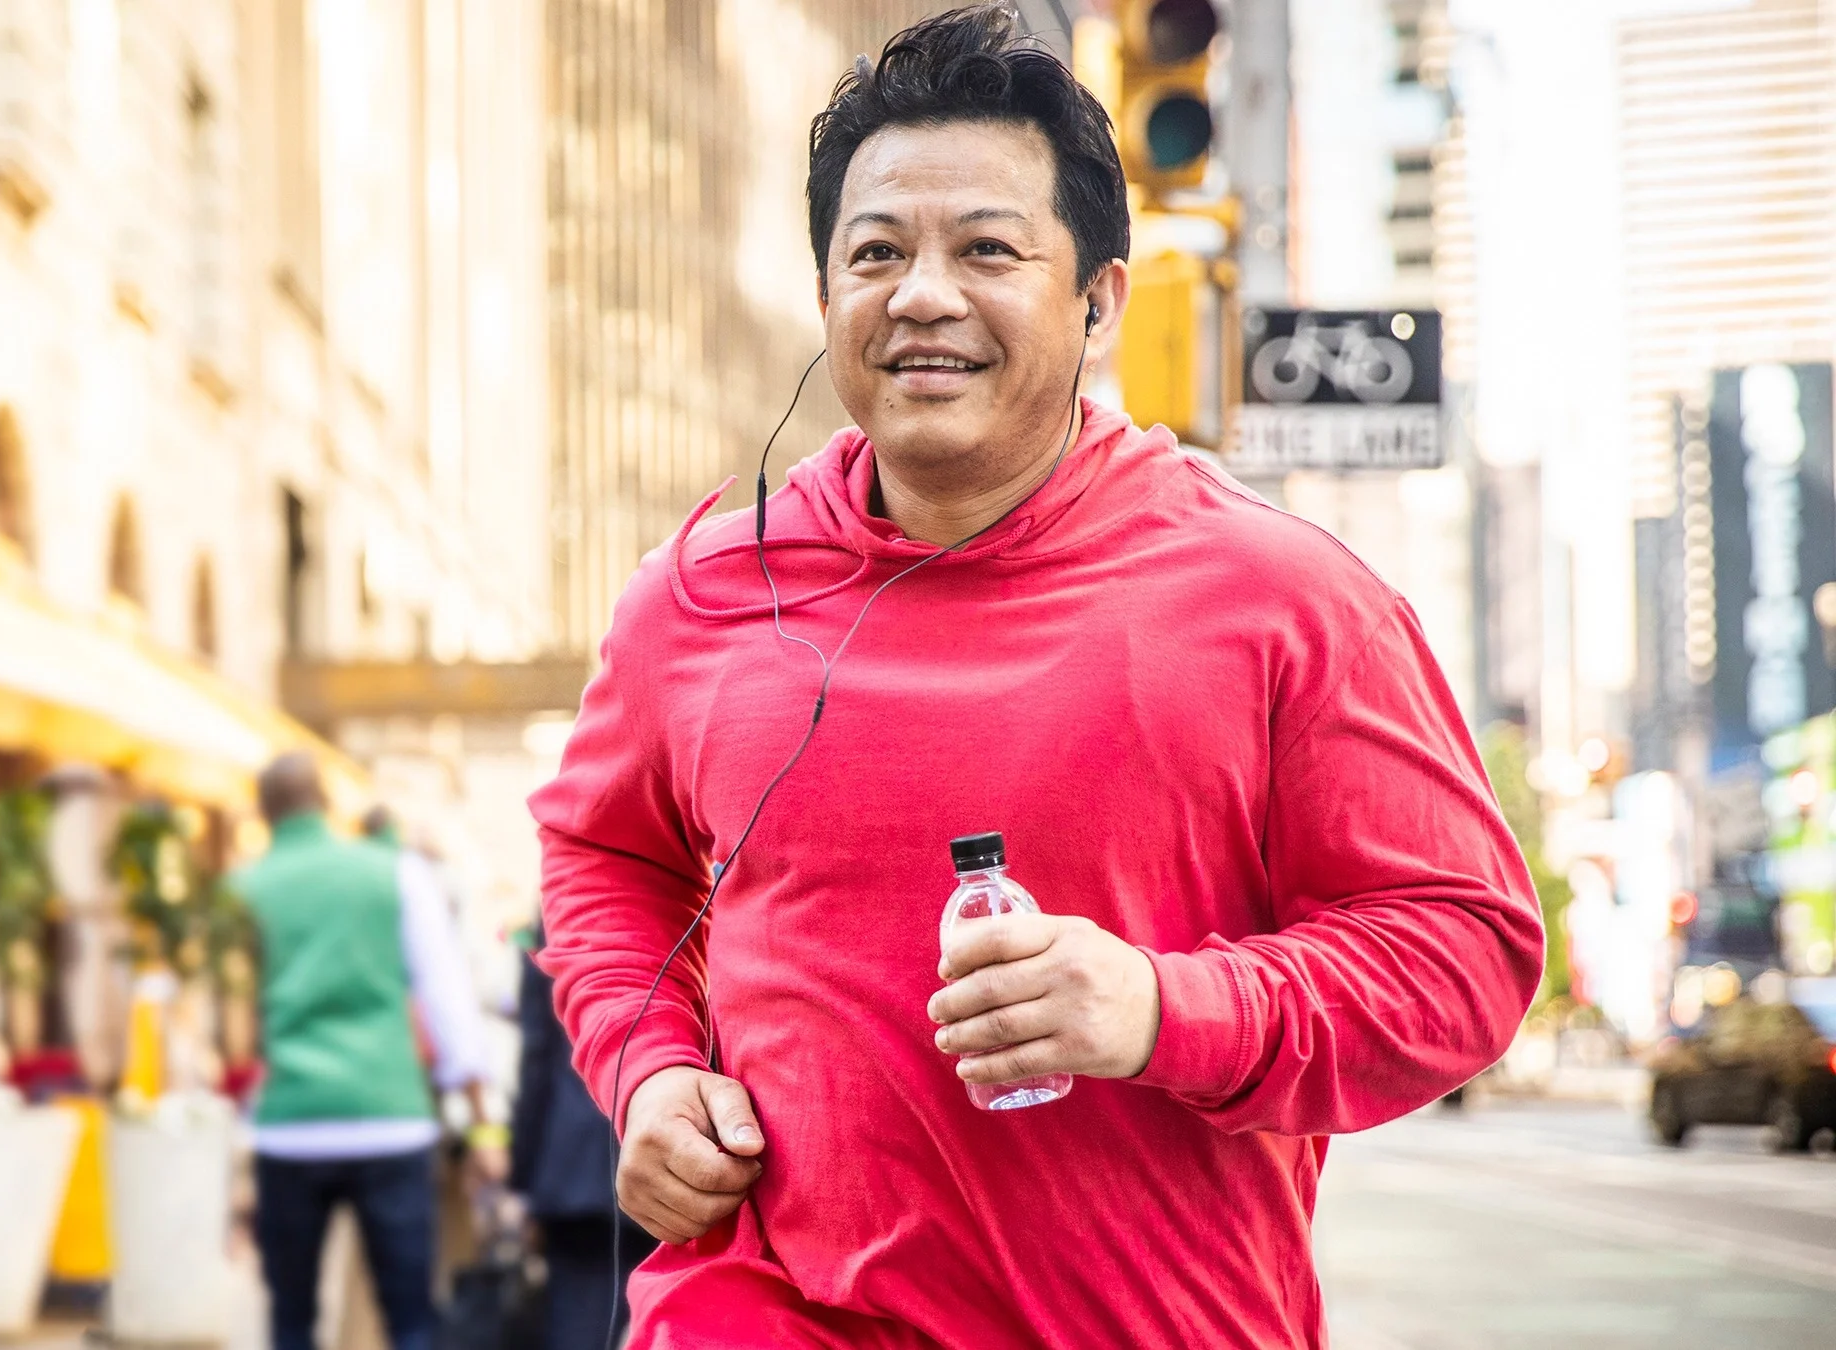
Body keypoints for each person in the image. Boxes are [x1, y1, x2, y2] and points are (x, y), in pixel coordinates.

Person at [527, 9, 1544, 1348]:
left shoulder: (1289, 598)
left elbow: (1467, 953)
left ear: (1100, 298)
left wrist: (1163, 1007)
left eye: (988, 250)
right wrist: (650, 1070)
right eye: (875, 252)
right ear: (826, 292)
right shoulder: (699, 593)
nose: (922, 294)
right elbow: (603, 858)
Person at [240, 756, 502, 1350]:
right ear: (328, 805)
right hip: (391, 1119)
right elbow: (446, 996)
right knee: (411, 1319)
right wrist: (484, 1128)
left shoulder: (245, 888)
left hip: (289, 1127)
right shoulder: (395, 873)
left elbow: (235, 1023)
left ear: (264, 813)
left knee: (291, 1320)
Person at [510, 928, 658, 1347]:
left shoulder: (556, 921)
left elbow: (535, 1057)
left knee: (577, 1319)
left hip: (570, 1165)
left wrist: (523, 1177)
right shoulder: (691, 905)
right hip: (663, 1150)